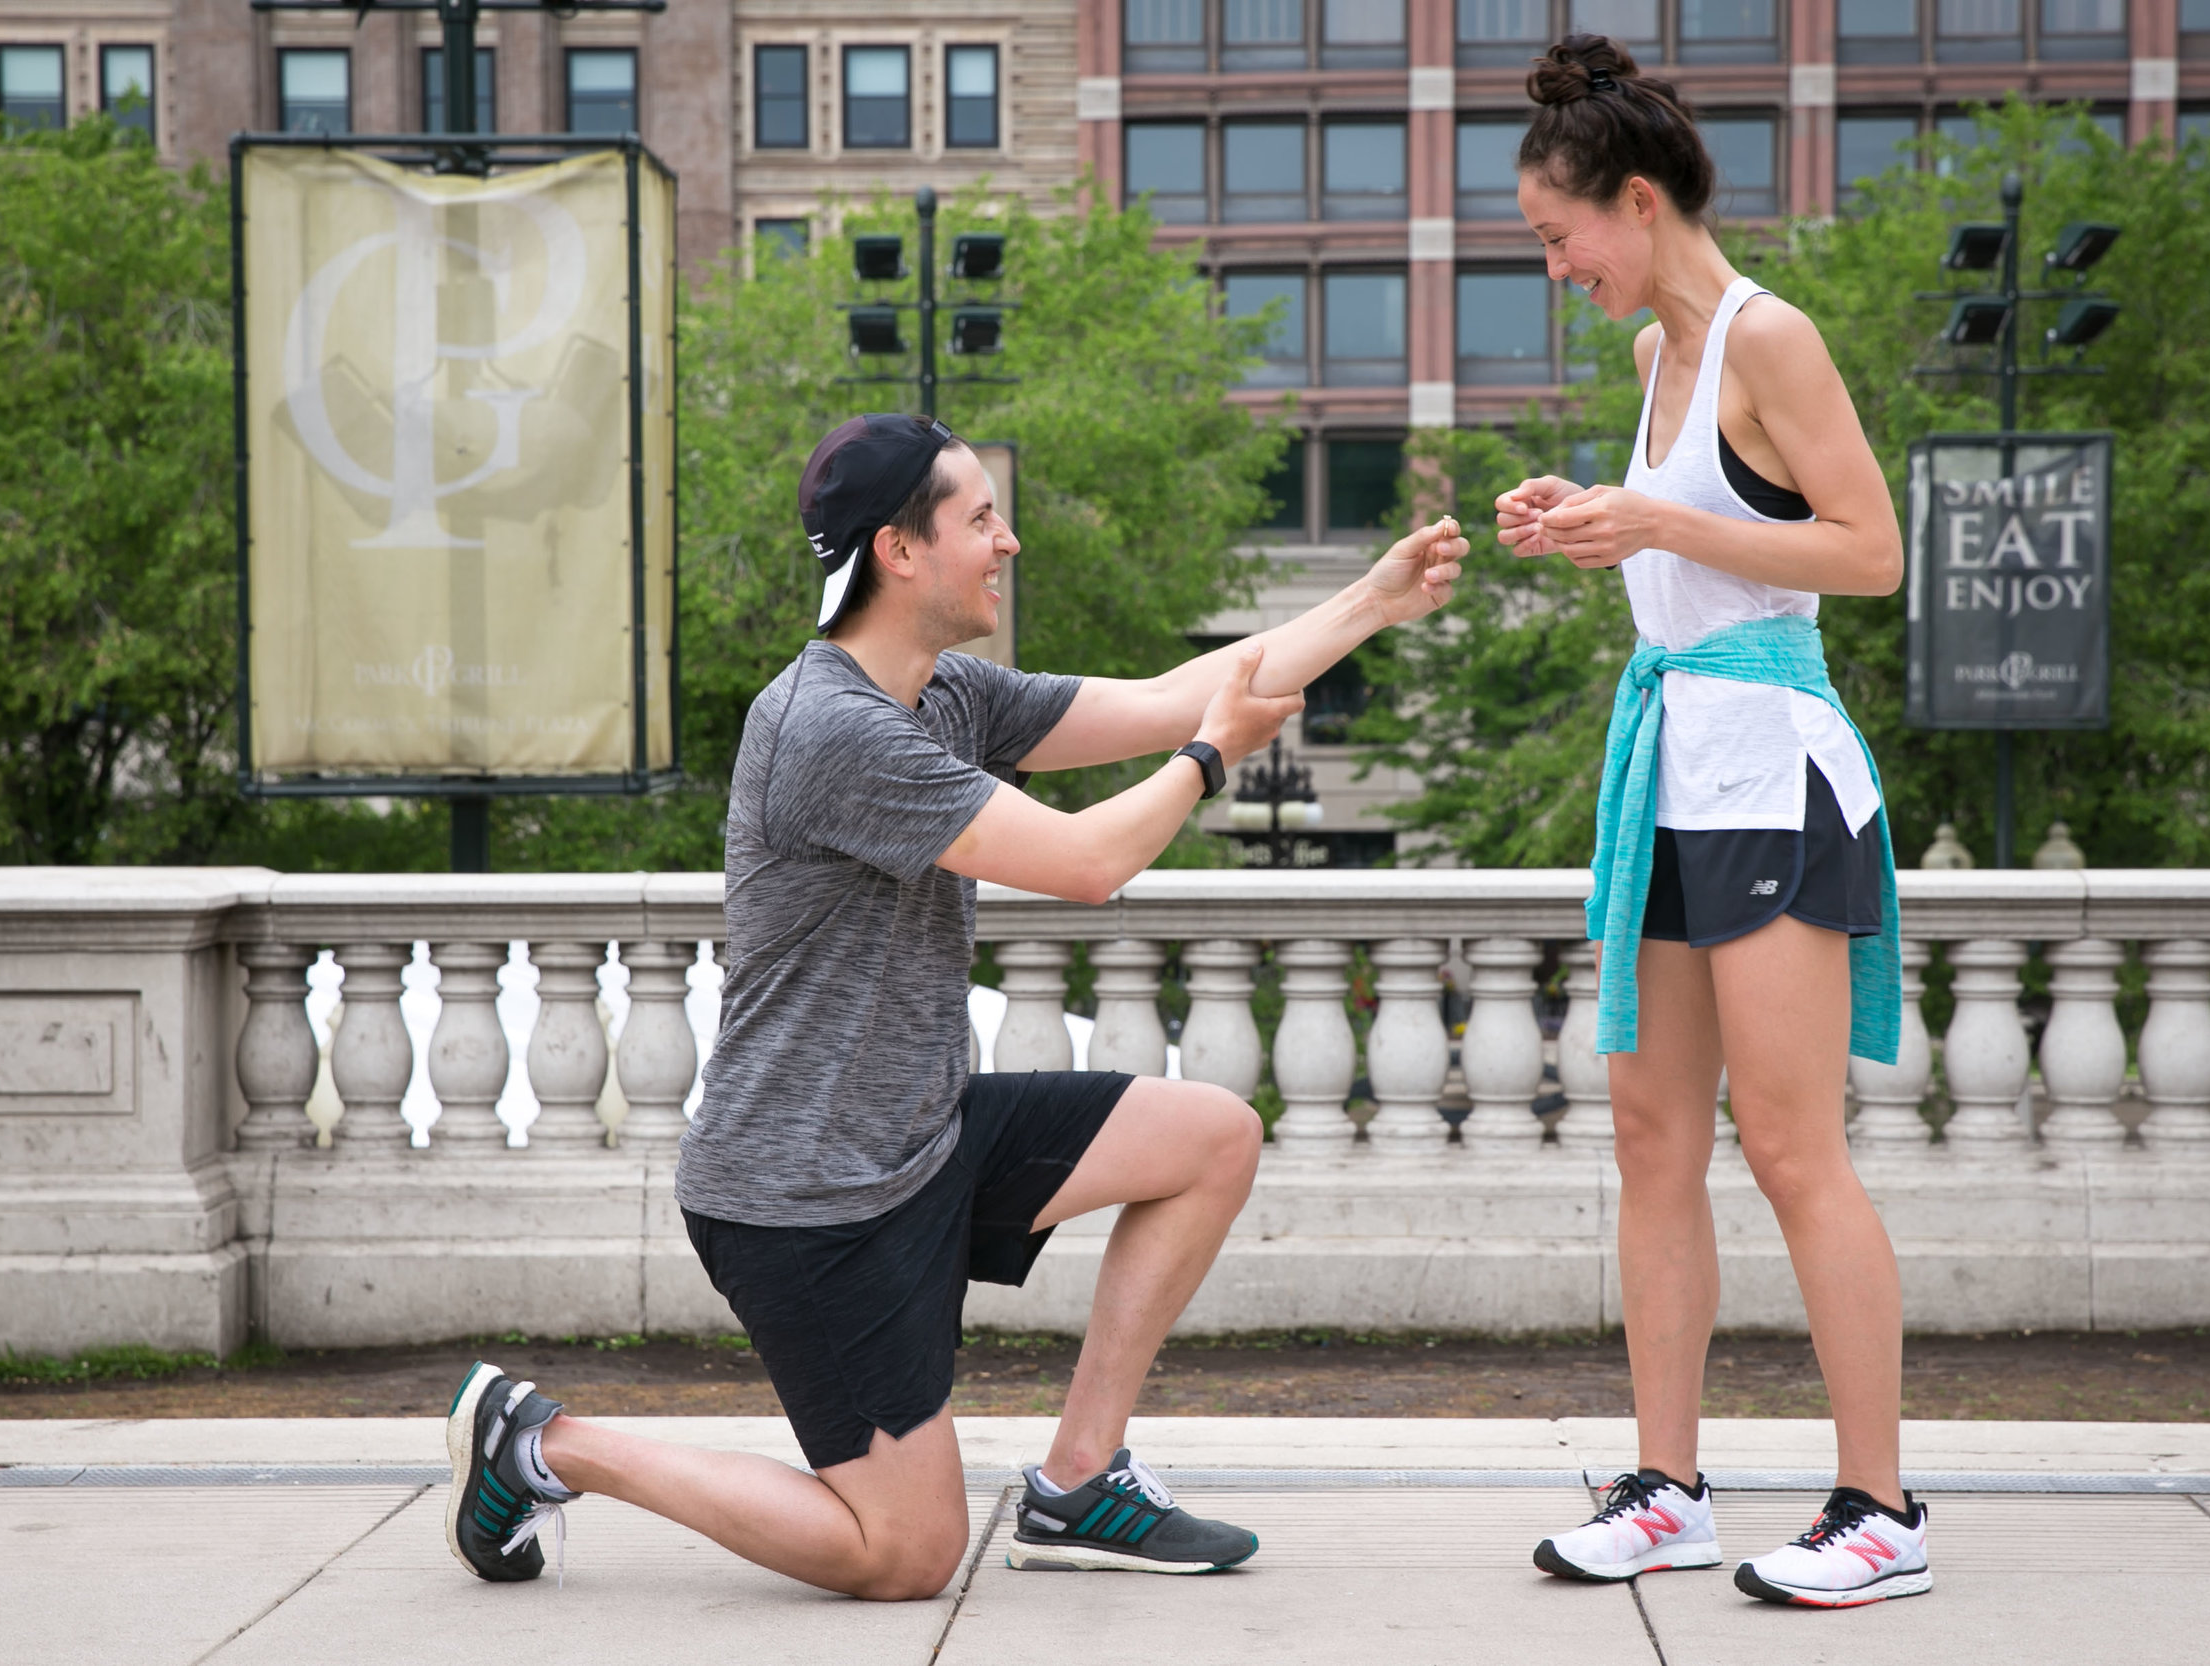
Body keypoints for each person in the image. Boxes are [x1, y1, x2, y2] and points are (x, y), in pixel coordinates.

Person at [440, 412, 1467, 1600]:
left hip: (922, 1136)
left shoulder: (948, 693)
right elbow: (1089, 862)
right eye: (980, 518)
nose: (1008, 540)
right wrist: (1206, 760)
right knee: (905, 1554)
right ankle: (541, 1442)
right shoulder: (830, 727)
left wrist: (1370, 604)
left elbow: (1181, 689)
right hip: (806, 1197)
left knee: (1210, 1138)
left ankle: (1079, 1483)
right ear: (899, 551)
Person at [1493, 37, 1932, 1610]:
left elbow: (1872, 550)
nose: (1555, 269)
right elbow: (1695, 558)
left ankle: (1882, 1509)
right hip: (1676, 764)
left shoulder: (1771, 336)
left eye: (1559, 239)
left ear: (1632, 199)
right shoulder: (1650, 363)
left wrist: (1665, 519)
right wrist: (1592, 520)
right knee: (1650, 1135)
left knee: (1793, 1145)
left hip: (1772, 765)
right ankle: (1668, 1484)